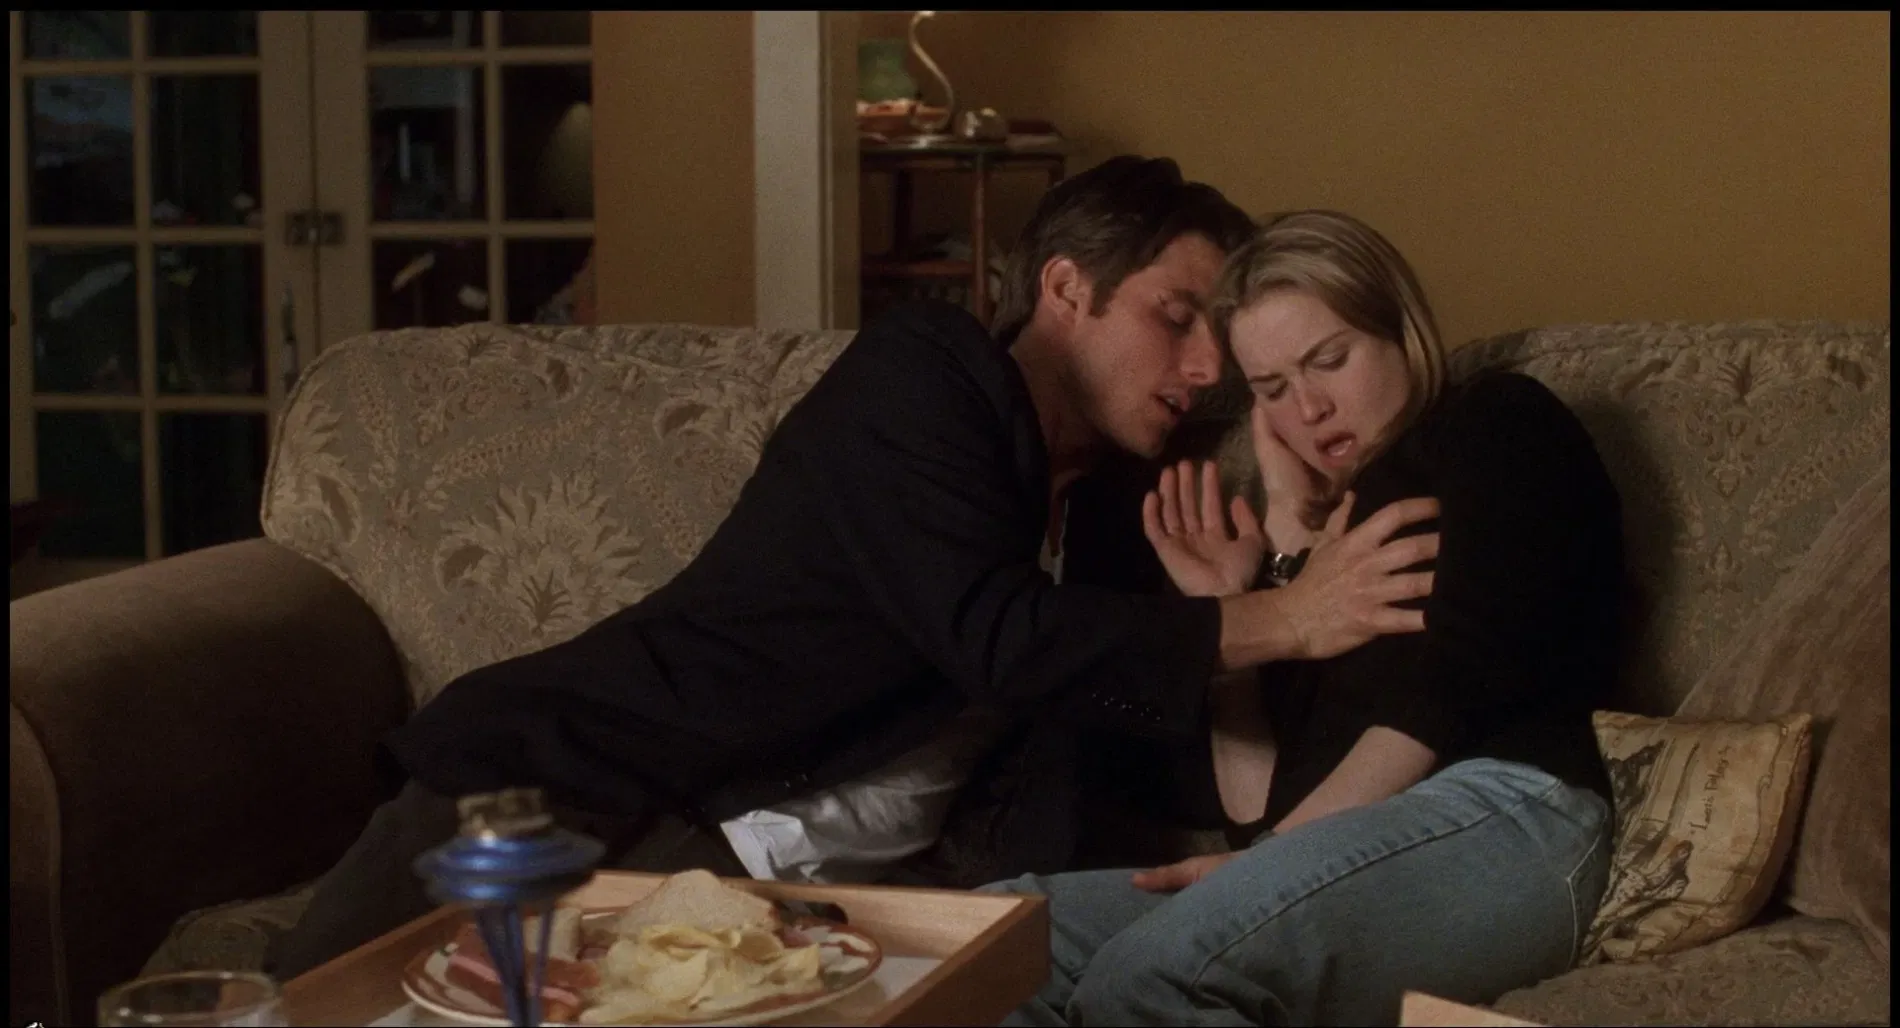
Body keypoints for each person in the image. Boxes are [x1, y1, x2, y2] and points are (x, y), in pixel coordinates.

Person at [268, 161, 1442, 979]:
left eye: (1221, 349)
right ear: (1065, 289)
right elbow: (1000, 636)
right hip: (572, 783)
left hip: (775, 902)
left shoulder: (1135, 507)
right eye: (1175, 317)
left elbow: (1156, 745)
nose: (1202, 369)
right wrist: (1284, 615)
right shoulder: (926, 374)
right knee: (296, 1010)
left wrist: (1264, 547)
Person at [991, 209, 1625, 1027]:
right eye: (1273, 390)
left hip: (1513, 810)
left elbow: (1453, 689)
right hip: (1346, 840)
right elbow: (1259, 809)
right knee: (987, 941)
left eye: (1329, 361)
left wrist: (1269, 858)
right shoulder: (1317, 565)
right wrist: (1247, 592)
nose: (1311, 409)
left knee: (1154, 976)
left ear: (1400, 328)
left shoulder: (1496, 421)